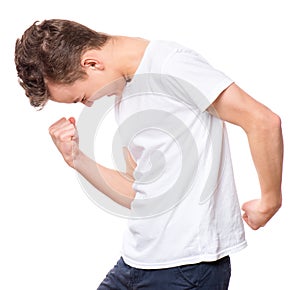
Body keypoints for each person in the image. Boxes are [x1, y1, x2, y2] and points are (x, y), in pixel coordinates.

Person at [15, 19, 283, 290]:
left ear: (92, 63)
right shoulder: (124, 90)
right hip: (135, 262)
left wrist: (269, 201)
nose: (89, 103)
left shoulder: (172, 65)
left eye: (80, 97)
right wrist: (76, 159)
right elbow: (137, 191)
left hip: (188, 268)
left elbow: (262, 121)